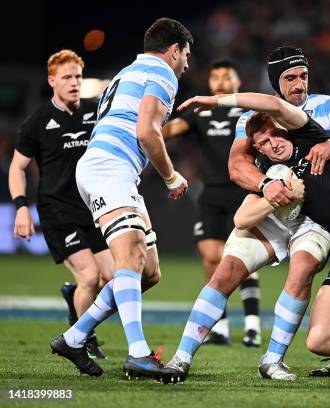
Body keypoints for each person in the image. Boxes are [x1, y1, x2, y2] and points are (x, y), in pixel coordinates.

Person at [162, 91, 330, 384]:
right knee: (225, 271)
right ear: (259, 151)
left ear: (286, 129)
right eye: (262, 143)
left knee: (303, 268)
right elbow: (241, 213)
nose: (272, 143)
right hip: (274, 209)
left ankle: (273, 359)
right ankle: (181, 358)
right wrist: (272, 191)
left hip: (313, 222)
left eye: (275, 135)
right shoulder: (272, 170)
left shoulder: (317, 123)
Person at [49, 18, 193, 380]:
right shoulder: (163, 73)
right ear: (173, 50)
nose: (187, 64)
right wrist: (171, 177)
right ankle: (139, 354)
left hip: (111, 169)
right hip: (110, 168)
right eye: (186, 55)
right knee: (130, 256)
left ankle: (74, 336)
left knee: (148, 271)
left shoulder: (125, 72)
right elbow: (147, 131)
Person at [9, 49, 114, 359]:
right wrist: (21, 207)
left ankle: (75, 304)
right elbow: (17, 167)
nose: (74, 82)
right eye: (66, 77)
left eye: (78, 77)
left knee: (118, 278)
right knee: (90, 277)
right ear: (52, 80)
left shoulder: (95, 113)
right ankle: (83, 339)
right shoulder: (39, 120)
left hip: (94, 207)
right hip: (57, 212)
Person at [163, 60, 261, 347]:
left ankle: (252, 327)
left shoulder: (249, 112)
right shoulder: (199, 113)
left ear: (237, 82)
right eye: (214, 76)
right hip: (211, 194)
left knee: (244, 257)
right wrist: (149, 129)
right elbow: (171, 130)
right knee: (211, 256)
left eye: (226, 77)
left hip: (243, 193)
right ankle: (220, 326)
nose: (219, 82)